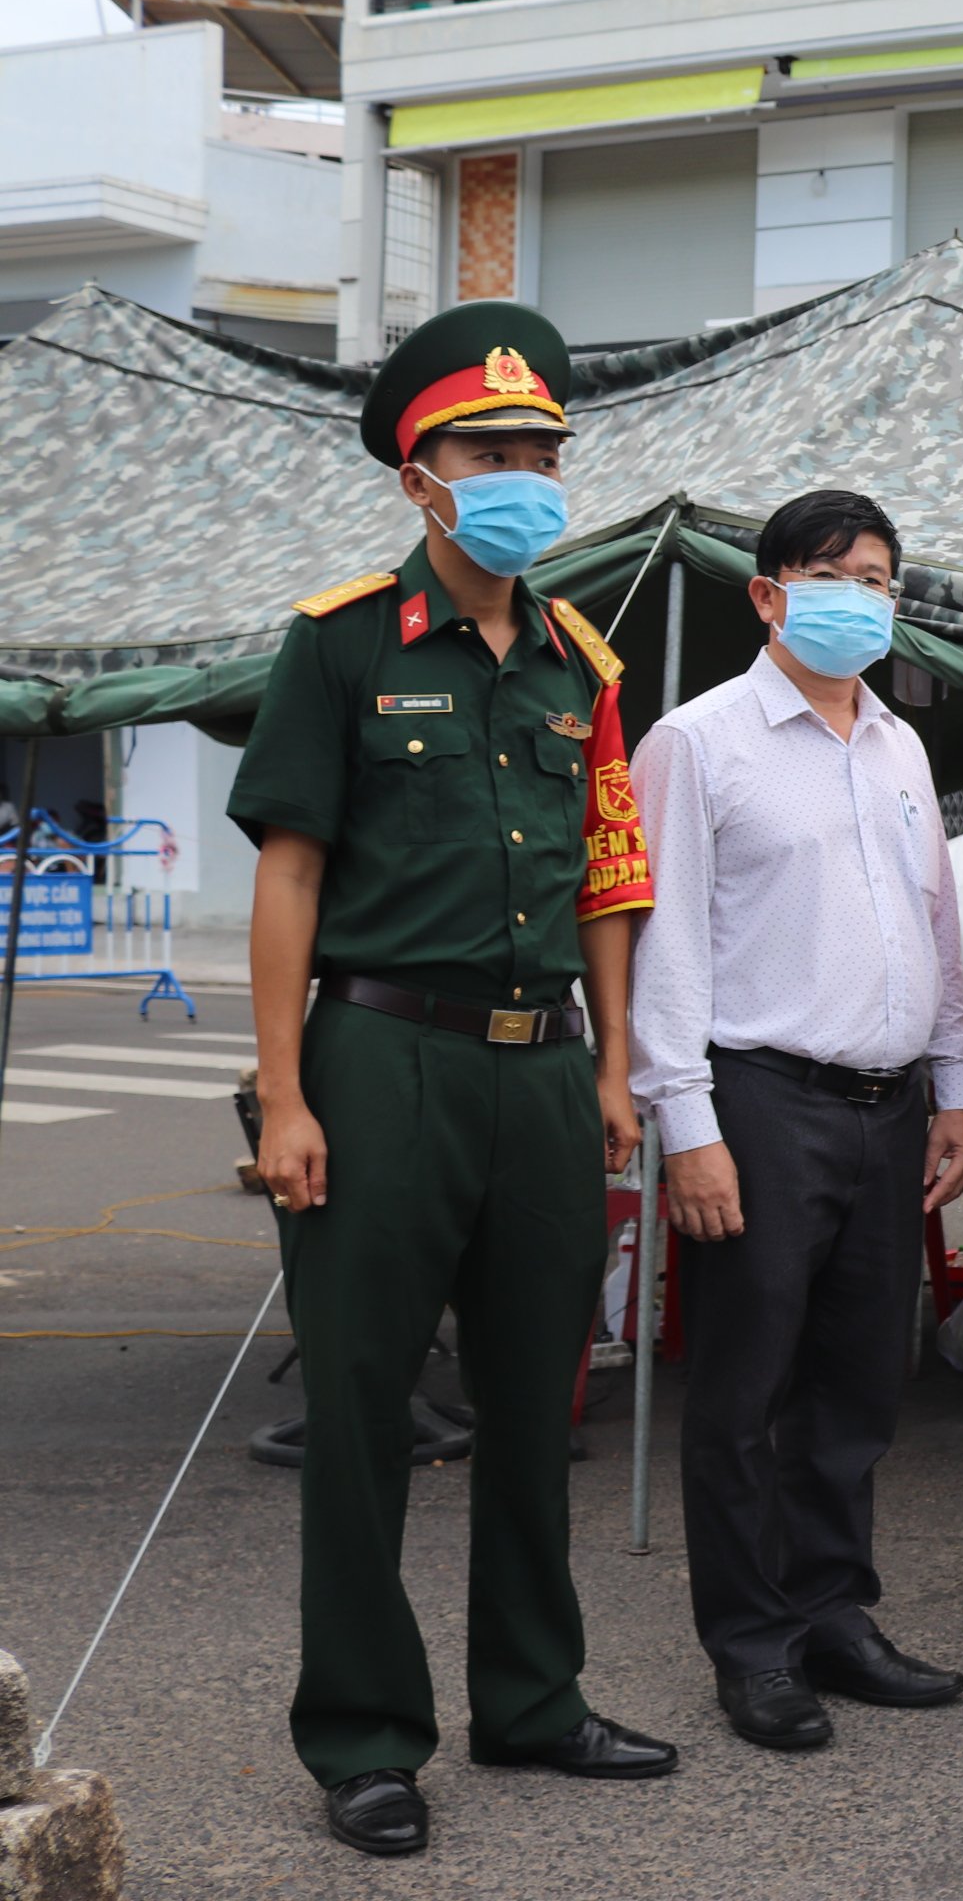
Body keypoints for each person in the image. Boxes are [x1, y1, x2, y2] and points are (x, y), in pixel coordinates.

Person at [230, 301, 678, 1858]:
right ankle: (364, 1735)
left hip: (542, 1069)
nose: (525, 478)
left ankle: (534, 1698)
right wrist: (285, 1094)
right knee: (362, 1402)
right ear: (421, 475)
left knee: (533, 1399)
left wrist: (617, 1066)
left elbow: (609, 882)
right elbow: (290, 877)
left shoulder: (580, 661)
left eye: (543, 452)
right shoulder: (343, 640)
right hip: (381, 1055)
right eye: (492, 452)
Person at [629, 490, 963, 1751]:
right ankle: (753, 1643)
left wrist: (953, 1084)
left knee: (855, 1382)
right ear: (769, 593)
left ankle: (835, 1611)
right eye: (833, 573)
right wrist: (687, 1120)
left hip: (889, 1105)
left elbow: (934, 927)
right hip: (760, 1097)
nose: (860, 596)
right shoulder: (697, 738)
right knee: (742, 1388)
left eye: (880, 577)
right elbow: (659, 942)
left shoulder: (897, 743)